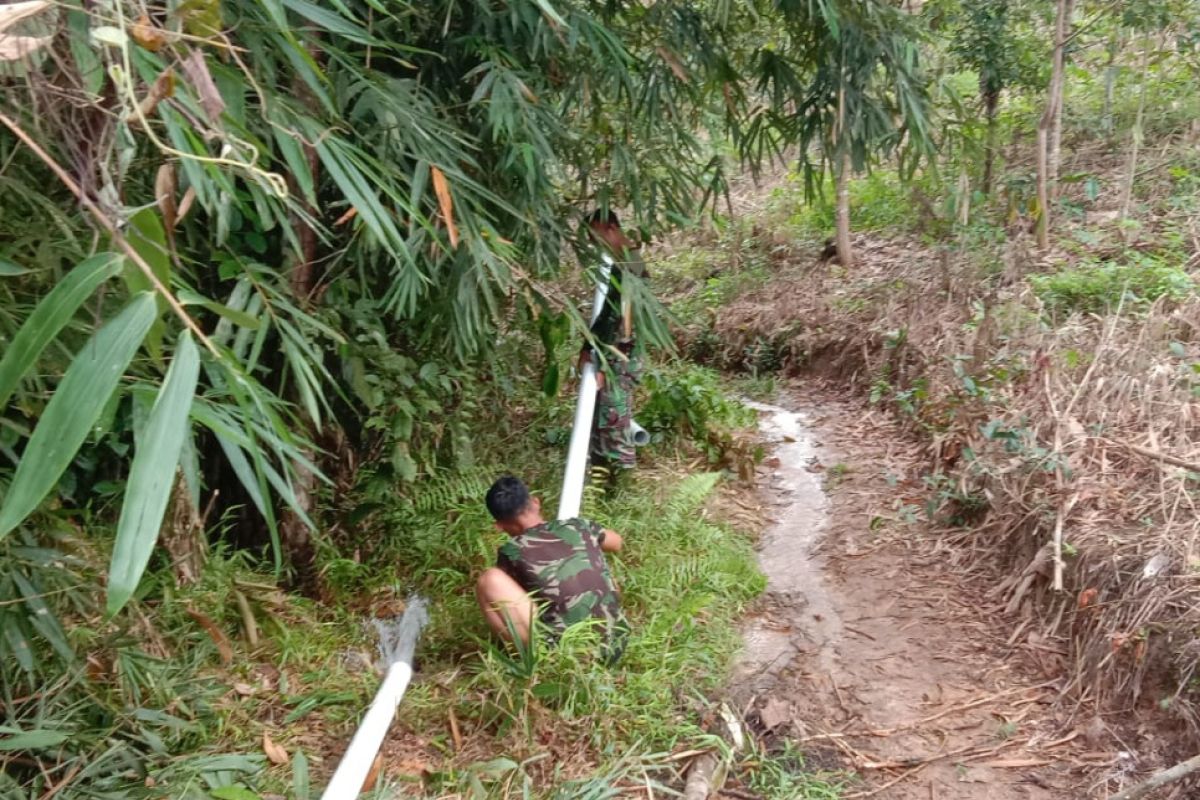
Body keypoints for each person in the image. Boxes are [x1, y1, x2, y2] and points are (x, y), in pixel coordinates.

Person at [475, 475, 628, 659]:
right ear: (536, 502)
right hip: (618, 642)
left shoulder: (511, 552)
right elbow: (617, 543)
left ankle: (526, 659)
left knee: (489, 580)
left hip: (572, 658)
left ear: (499, 526)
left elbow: (517, 600)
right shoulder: (578, 526)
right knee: (589, 560)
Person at [580, 209, 649, 480]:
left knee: (614, 422)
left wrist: (602, 361)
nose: (595, 243)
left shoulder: (631, 265)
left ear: (609, 229)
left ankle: (621, 484)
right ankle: (602, 481)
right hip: (614, 356)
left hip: (620, 359)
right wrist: (588, 347)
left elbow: (623, 324)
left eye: (595, 236)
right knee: (603, 420)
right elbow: (608, 313)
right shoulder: (622, 262)